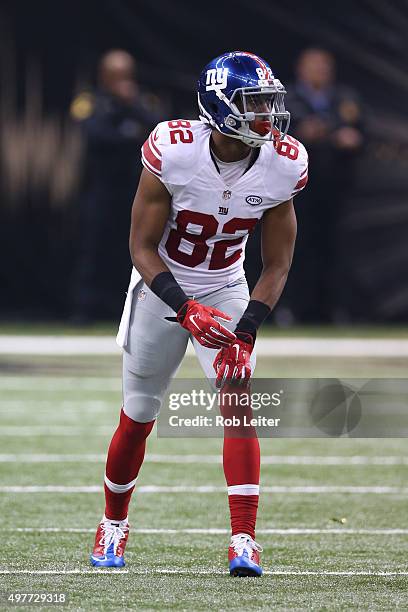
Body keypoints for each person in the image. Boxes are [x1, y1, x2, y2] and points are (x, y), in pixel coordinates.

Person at [90, 51, 308, 576]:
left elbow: (276, 264)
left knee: (238, 401)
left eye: (268, 102)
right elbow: (141, 248)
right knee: (140, 411)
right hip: (163, 284)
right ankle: (114, 523)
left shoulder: (285, 162)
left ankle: (244, 539)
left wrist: (246, 331)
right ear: (219, 105)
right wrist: (185, 309)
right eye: (254, 103)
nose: (267, 114)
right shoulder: (173, 150)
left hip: (227, 284)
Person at [72, 50, 161, 321]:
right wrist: (127, 132)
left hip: (136, 192)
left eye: (125, 74)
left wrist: (131, 105)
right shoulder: (88, 102)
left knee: (137, 249)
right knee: (94, 250)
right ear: (104, 76)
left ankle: (132, 310)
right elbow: (94, 134)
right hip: (100, 189)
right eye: (115, 75)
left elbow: (158, 132)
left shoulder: (143, 100)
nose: (121, 80)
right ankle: (84, 310)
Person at [280, 48, 363, 324]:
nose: (320, 71)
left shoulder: (345, 99)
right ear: (300, 68)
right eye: (314, 66)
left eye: (325, 66)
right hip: (295, 191)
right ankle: (290, 309)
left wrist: (349, 137)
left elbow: (364, 131)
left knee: (335, 249)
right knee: (294, 248)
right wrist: (307, 133)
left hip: (336, 189)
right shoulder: (286, 99)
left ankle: (332, 310)